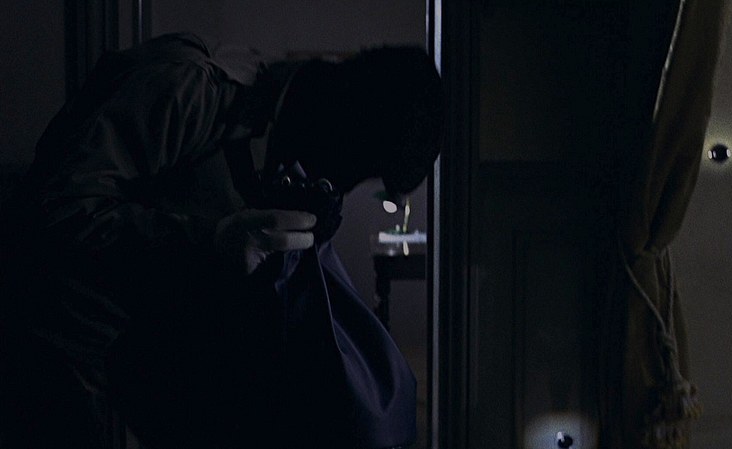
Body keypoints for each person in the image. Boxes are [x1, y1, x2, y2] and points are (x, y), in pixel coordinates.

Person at [0, 32, 443, 449]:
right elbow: (54, 214)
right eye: (350, 171)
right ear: (343, 120)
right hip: (54, 363)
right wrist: (206, 244)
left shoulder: (281, 141)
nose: (334, 186)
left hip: (138, 371)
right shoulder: (189, 89)